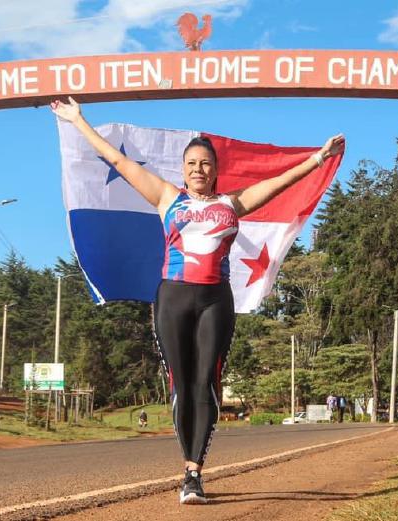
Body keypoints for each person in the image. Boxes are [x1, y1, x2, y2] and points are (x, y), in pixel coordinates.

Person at [51, 97, 344, 505]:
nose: (198, 170)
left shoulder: (232, 204)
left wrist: (317, 158)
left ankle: (193, 473)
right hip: (172, 298)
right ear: (182, 170)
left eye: (205, 163)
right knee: (181, 385)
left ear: (215, 169)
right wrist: (79, 121)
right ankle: (186, 460)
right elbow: (119, 162)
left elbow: (278, 183)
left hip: (215, 302)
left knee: (207, 383)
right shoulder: (166, 197)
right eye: (191, 164)